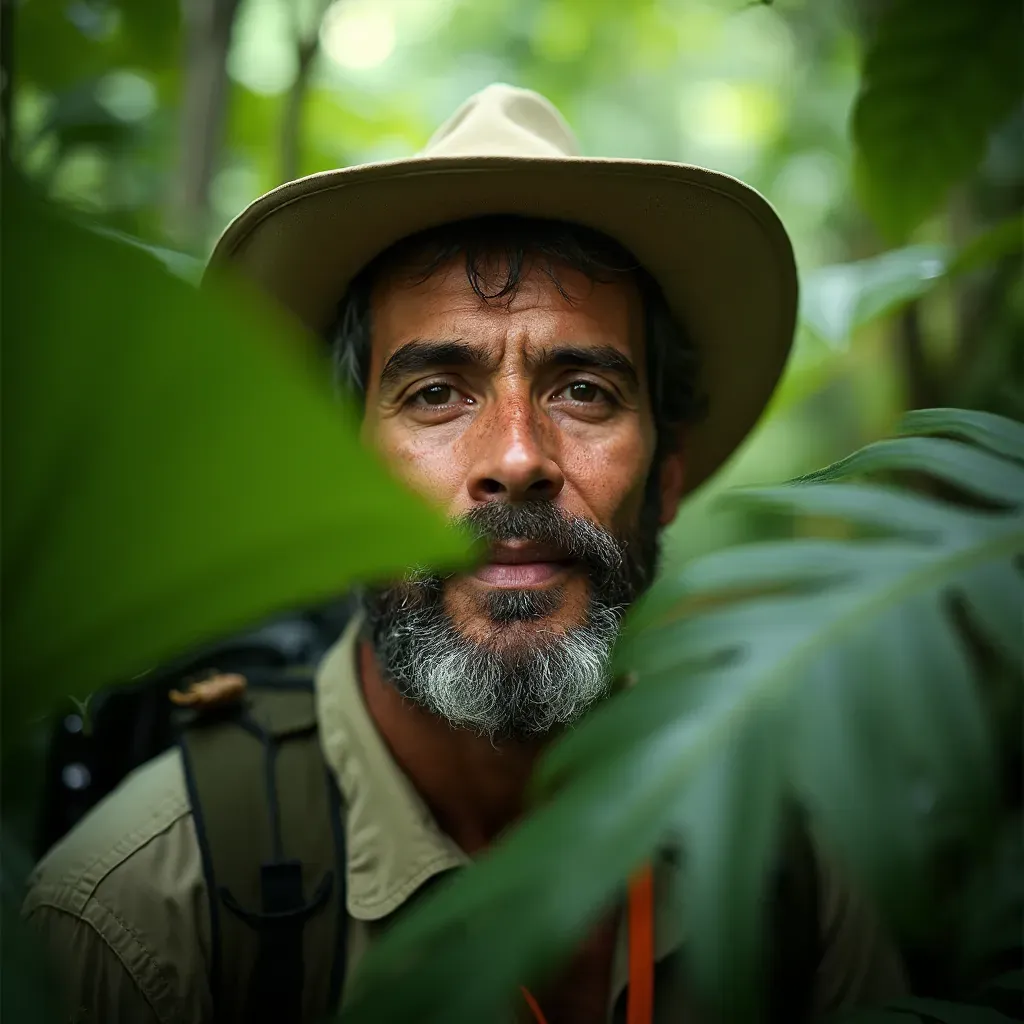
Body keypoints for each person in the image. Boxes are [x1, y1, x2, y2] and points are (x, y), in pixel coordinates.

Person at [22, 83, 906, 1024]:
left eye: (586, 392)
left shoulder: (793, 860)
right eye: (438, 392)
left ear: (668, 474)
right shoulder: (143, 911)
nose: (519, 458)